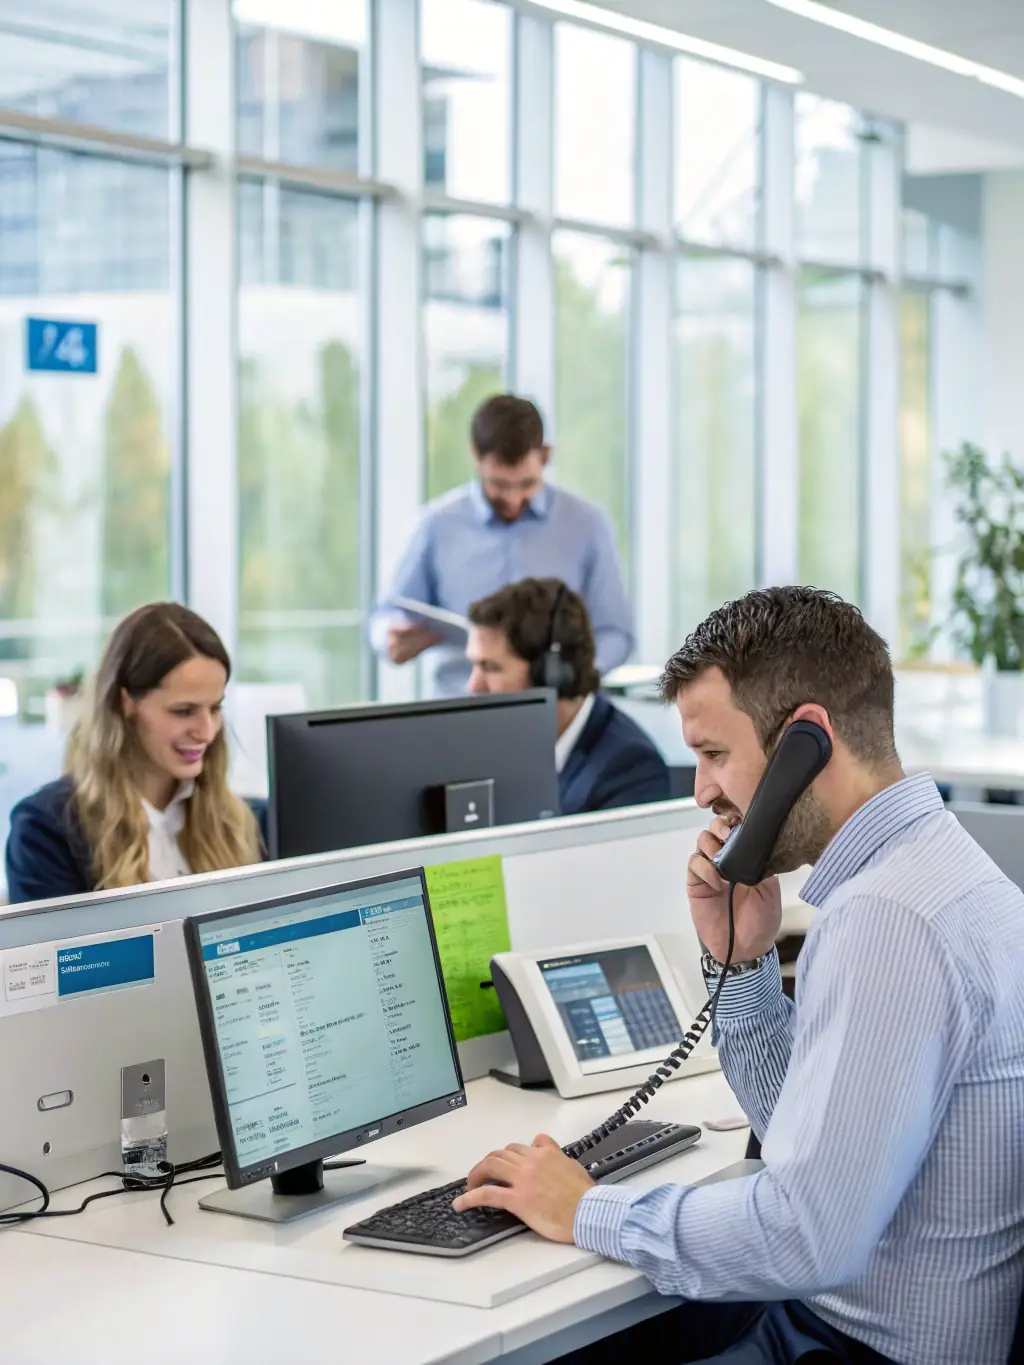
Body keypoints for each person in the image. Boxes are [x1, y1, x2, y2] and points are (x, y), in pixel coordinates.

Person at [452, 586, 1024, 1365]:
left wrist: (587, 1206)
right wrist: (745, 962)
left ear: (805, 746)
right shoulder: (938, 868)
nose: (702, 791)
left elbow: (807, 1235)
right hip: (833, 1329)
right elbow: (807, 1141)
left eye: (714, 753)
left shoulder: (889, 920)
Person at [370, 394, 634, 696]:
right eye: (498, 485)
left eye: (526, 484)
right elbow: (388, 614)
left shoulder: (587, 523)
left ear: (545, 456)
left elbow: (616, 632)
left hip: (555, 711)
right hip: (460, 710)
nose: (513, 499)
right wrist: (390, 639)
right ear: (475, 456)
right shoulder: (437, 525)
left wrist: (572, 678)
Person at [5, 603, 265, 905]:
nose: (206, 732)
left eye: (215, 708)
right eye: (183, 711)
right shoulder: (46, 831)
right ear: (126, 702)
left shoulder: (248, 821)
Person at [466, 577, 669, 816]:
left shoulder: (631, 768)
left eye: (490, 667)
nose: (473, 686)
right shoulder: (498, 749)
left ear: (550, 674)